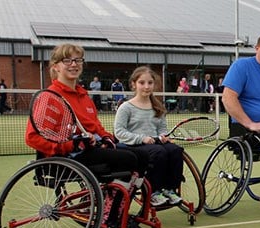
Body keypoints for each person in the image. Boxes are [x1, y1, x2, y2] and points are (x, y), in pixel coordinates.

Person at [25, 43, 149, 200]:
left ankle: (117, 207)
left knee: (143, 155)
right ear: (56, 66)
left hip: (89, 149)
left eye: (78, 60)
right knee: (128, 159)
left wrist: (106, 137)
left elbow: (95, 127)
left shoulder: (84, 96)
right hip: (66, 157)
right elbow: (32, 137)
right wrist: (71, 144)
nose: (74, 64)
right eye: (67, 60)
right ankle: (109, 213)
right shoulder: (49, 97)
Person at [114, 66, 184, 206]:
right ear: (133, 84)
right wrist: (141, 138)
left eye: (150, 83)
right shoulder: (126, 107)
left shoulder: (158, 107)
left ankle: (170, 189)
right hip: (132, 146)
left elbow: (162, 129)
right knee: (159, 152)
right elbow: (119, 132)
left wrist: (163, 136)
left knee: (175, 150)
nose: (146, 87)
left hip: (154, 143)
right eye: (142, 83)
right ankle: (154, 191)